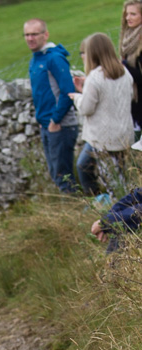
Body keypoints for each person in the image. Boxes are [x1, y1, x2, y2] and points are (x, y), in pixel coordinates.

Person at [70, 33, 134, 201]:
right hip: (123, 135)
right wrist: (86, 89)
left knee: (113, 182)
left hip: (104, 139)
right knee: (120, 177)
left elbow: (86, 108)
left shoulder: (95, 77)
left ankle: (116, 210)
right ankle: (115, 205)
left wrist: (77, 97)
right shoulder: (123, 72)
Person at [23, 18, 79, 193]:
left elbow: (67, 91)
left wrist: (55, 120)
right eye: (27, 35)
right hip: (47, 125)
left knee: (64, 177)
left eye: (34, 34)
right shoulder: (35, 59)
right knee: (56, 174)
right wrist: (43, 121)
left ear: (45, 35)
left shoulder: (54, 58)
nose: (30, 38)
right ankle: (72, 205)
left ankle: (76, 205)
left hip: (61, 125)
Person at [119, 1, 142, 139]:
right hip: (132, 100)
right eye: (127, 14)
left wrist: (122, 66)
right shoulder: (127, 37)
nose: (128, 18)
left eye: (133, 14)